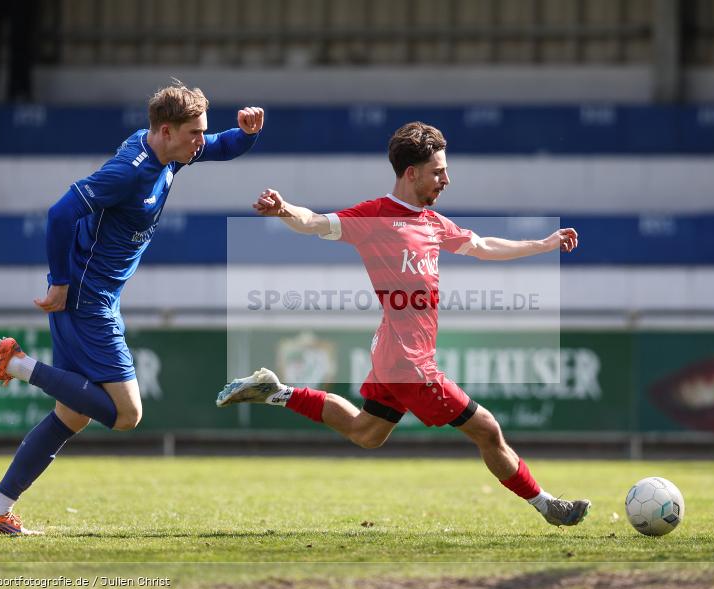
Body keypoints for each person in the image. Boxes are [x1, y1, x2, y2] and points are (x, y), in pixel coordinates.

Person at [218, 121, 590, 528]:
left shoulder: (433, 223)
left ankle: (278, 392)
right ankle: (547, 505)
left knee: (367, 433)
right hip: (408, 361)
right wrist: (284, 209)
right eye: (437, 171)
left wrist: (543, 244)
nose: (446, 179)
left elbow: (483, 245)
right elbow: (314, 222)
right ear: (410, 173)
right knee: (487, 430)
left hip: (395, 351)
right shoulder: (374, 217)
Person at [0, 80, 265, 535]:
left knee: (72, 414)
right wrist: (60, 283)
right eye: (194, 134)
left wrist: (245, 134)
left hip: (96, 296)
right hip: (87, 299)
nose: (201, 141)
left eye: (201, 132)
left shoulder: (172, 153)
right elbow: (60, 213)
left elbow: (222, 146)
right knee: (127, 415)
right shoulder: (130, 170)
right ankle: (18, 364)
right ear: (166, 131)